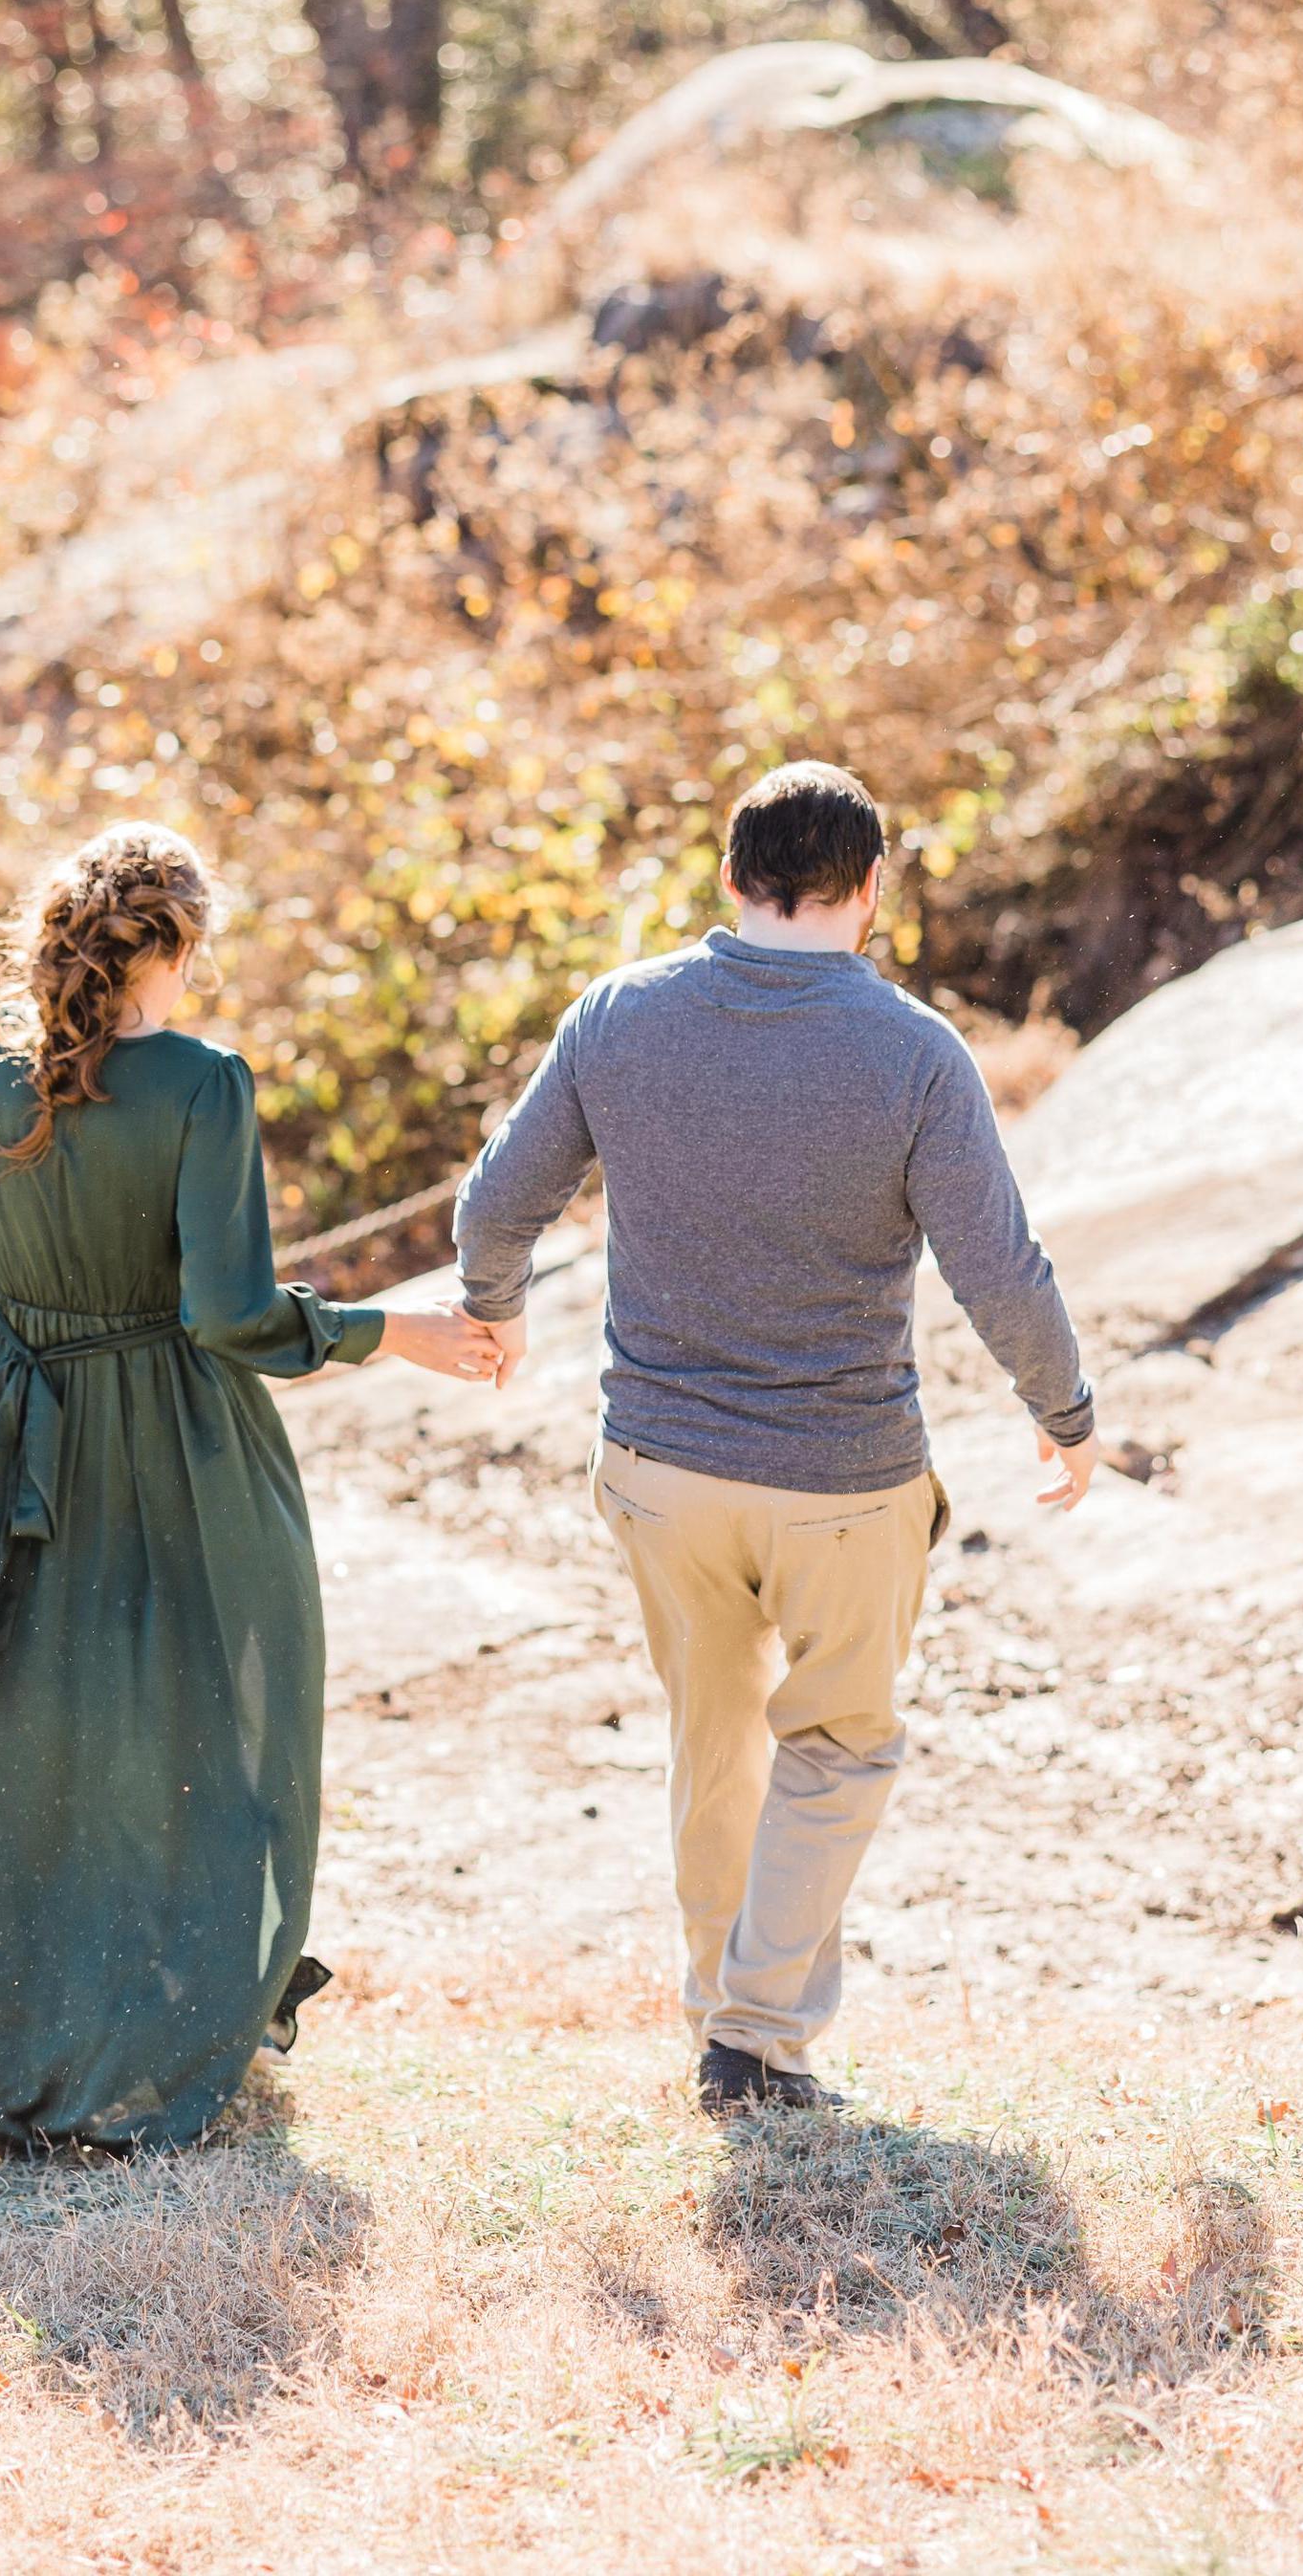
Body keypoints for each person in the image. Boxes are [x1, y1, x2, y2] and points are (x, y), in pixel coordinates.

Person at [451, 761, 1097, 2117]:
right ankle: (751, 2040)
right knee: (839, 1747)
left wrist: (493, 1311)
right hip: (845, 1482)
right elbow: (999, 1269)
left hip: (661, 1470)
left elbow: (495, 1206)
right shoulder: (914, 1052)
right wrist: (1064, 1413)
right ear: (873, 889)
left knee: (715, 1743)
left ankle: (726, 2022)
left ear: (730, 877)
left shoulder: (619, 1015)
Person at [0, 822, 501, 2163]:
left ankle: (9, 2052)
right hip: (181, 1443)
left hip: (31, 1430)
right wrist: (392, 1330)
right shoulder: (204, 1084)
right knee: (209, 1723)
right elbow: (228, 1314)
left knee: (32, 1735)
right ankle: (168, 2032)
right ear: (181, 942)